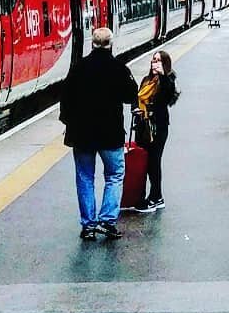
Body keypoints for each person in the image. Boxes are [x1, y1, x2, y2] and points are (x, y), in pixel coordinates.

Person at [59, 27, 138, 241]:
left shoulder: (78, 67)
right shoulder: (118, 68)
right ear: (110, 43)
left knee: (85, 178)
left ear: (92, 43)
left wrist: (68, 121)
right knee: (114, 176)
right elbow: (131, 95)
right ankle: (107, 221)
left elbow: (65, 98)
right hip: (110, 134)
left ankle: (88, 225)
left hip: (81, 135)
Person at [134, 49, 179, 211]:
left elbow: (168, 98)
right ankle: (147, 196)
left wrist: (163, 76)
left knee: (154, 162)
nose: (155, 63)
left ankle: (156, 197)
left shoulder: (168, 80)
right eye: (153, 60)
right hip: (144, 127)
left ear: (165, 64)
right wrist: (136, 110)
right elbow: (137, 98)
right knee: (144, 163)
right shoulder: (146, 80)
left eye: (159, 60)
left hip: (159, 127)